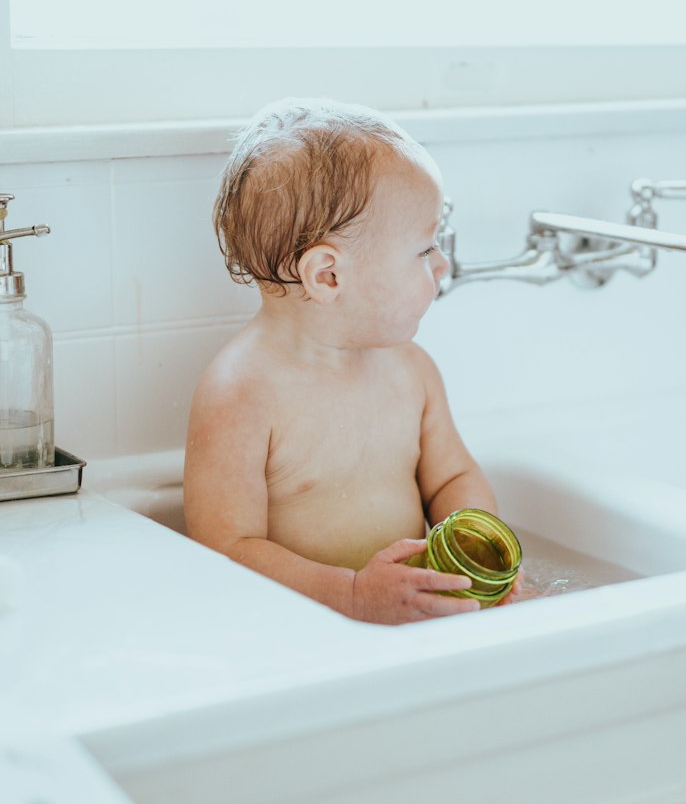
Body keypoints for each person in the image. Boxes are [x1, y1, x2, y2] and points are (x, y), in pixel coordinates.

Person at [184, 97, 518, 624]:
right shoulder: (243, 392)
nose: (442, 262)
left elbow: (452, 476)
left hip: (413, 615)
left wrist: (474, 541)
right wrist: (351, 595)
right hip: (308, 629)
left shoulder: (412, 369)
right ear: (328, 276)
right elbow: (226, 548)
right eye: (423, 249)